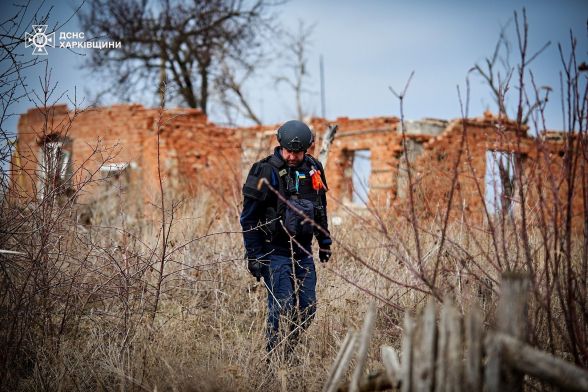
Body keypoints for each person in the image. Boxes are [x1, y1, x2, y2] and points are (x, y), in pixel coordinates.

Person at [240, 120, 332, 356]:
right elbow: (248, 219)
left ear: (307, 149)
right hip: (274, 252)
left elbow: (320, 208)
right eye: (288, 151)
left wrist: (324, 242)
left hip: (303, 252)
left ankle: (287, 351)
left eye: (298, 152)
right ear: (280, 145)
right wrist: (255, 256)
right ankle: (274, 359)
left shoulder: (314, 168)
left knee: (308, 308)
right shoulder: (263, 171)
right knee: (282, 307)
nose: (292, 156)